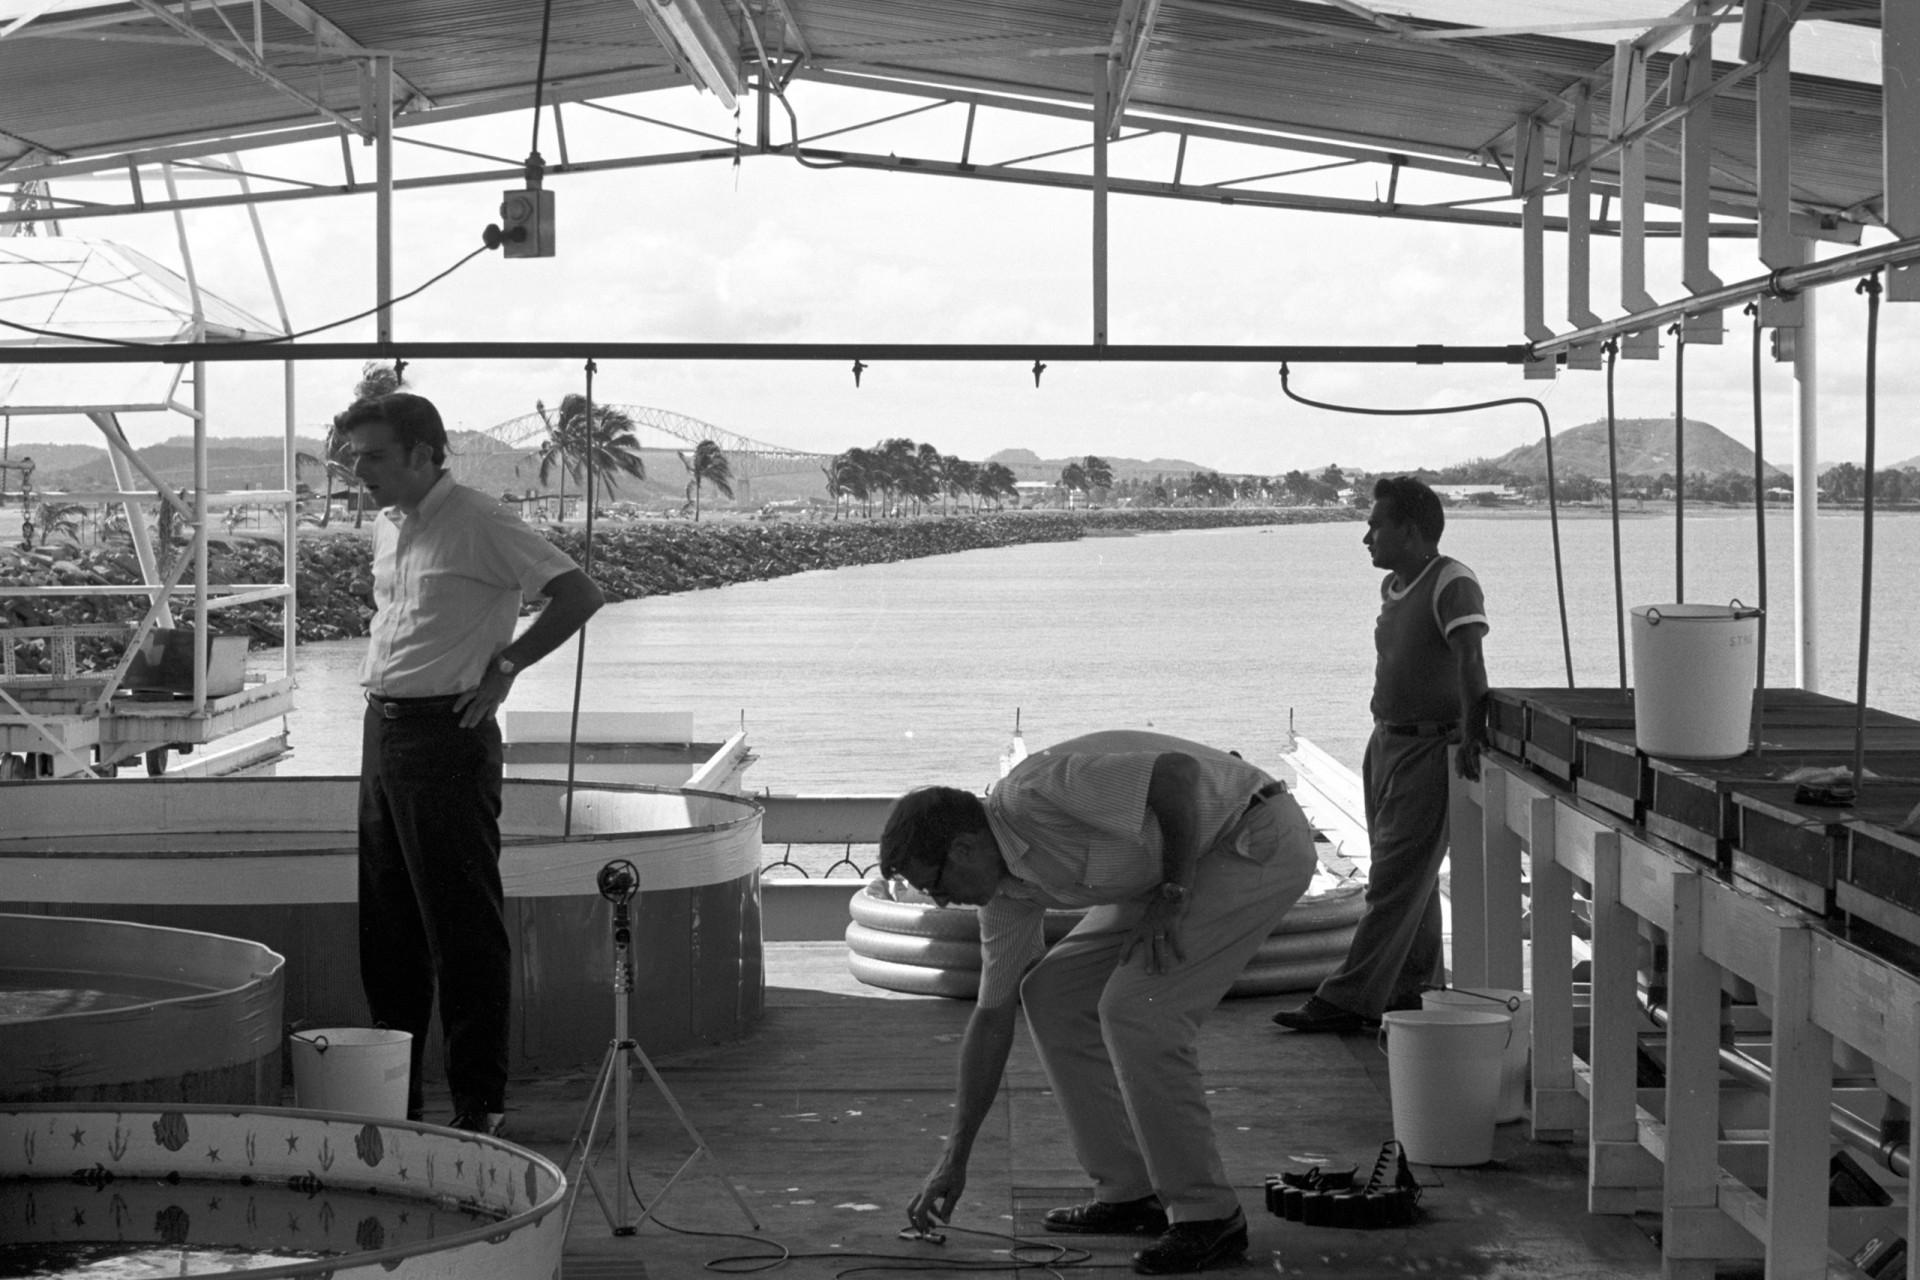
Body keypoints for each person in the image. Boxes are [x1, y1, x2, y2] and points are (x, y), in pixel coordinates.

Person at [890, 730, 1317, 1275]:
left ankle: (1209, 1215)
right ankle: (1128, 1192)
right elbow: (991, 1018)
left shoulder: (1035, 795)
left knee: (1140, 1009)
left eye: (936, 885)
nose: (940, 901)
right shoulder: (1004, 897)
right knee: (1051, 993)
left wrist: (1173, 893)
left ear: (964, 848)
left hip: (1250, 838)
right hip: (1170, 870)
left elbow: (1177, 776)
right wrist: (954, 1159)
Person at [337, 391, 605, 1133]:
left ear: (425, 453)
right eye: (356, 455)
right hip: (383, 728)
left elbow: (579, 593)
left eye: (376, 455)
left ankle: (477, 1105)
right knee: (387, 929)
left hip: (447, 734)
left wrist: (510, 664)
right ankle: (396, 1103)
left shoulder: (481, 520)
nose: (361, 470)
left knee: (461, 930)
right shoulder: (388, 528)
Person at [1273, 475, 1488, 1034]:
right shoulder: (1394, 585)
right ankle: (1412, 991)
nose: (1366, 537)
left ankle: (1346, 998)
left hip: (1428, 747)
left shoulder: (1452, 582)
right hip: (1386, 740)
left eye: (1376, 525)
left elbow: (1470, 662)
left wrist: (1472, 734)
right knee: (1408, 881)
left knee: (1392, 880)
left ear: (1411, 531)